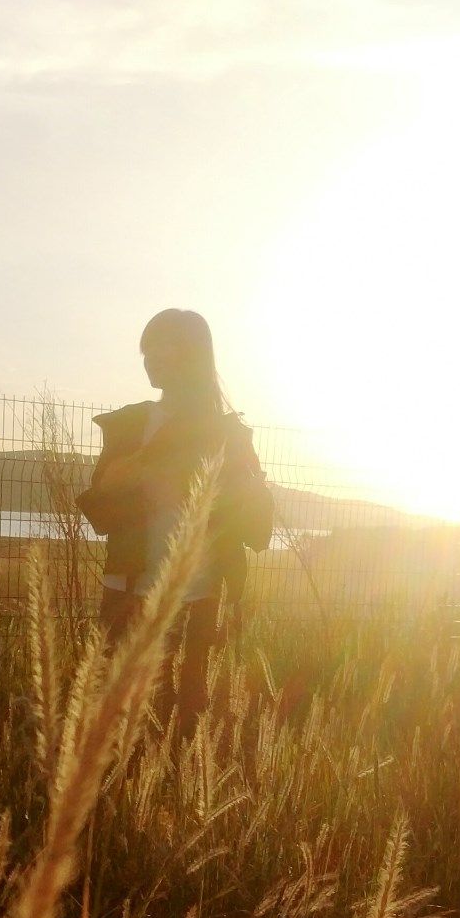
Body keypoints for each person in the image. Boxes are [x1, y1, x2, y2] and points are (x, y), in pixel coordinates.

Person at [76, 309, 272, 736]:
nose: (148, 359)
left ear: (191, 354)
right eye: (145, 350)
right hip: (128, 590)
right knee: (113, 716)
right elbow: (101, 497)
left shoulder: (228, 433)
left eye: (159, 347)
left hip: (197, 598)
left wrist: (246, 488)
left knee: (186, 718)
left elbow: (256, 526)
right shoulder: (131, 423)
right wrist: (158, 460)